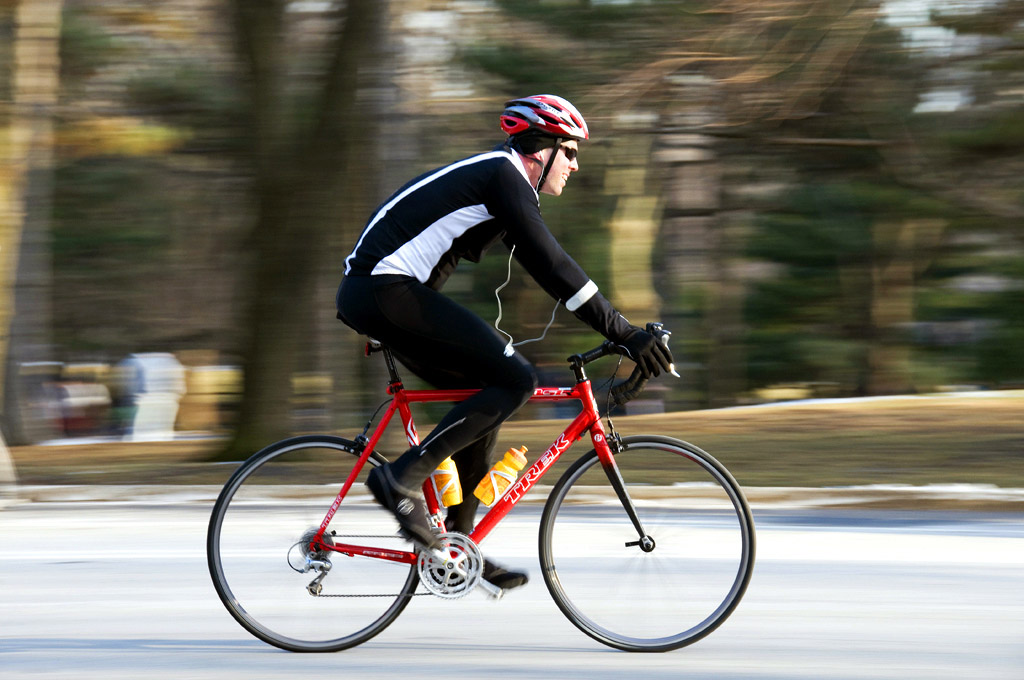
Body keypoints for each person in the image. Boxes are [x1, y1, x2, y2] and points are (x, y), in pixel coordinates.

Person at [336, 94, 673, 590]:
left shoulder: (502, 182)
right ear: (543, 150)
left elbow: (548, 271)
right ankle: (400, 478)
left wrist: (619, 331)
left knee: (488, 389)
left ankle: (457, 546)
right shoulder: (504, 176)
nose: (575, 165)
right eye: (572, 152)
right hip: (385, 288)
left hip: (384, 293)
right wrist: (622, 332)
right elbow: (553, 264)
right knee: (516, 377)